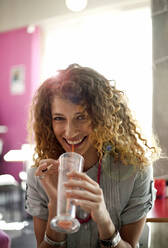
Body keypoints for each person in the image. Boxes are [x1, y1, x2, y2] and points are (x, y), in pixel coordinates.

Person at [25, 64, 160, 248]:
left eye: (81, 117)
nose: (70, 132)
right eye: (59, 118)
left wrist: (103, 217)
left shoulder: (136, 171)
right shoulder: (40, 176)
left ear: (101, 117)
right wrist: (56, 203)